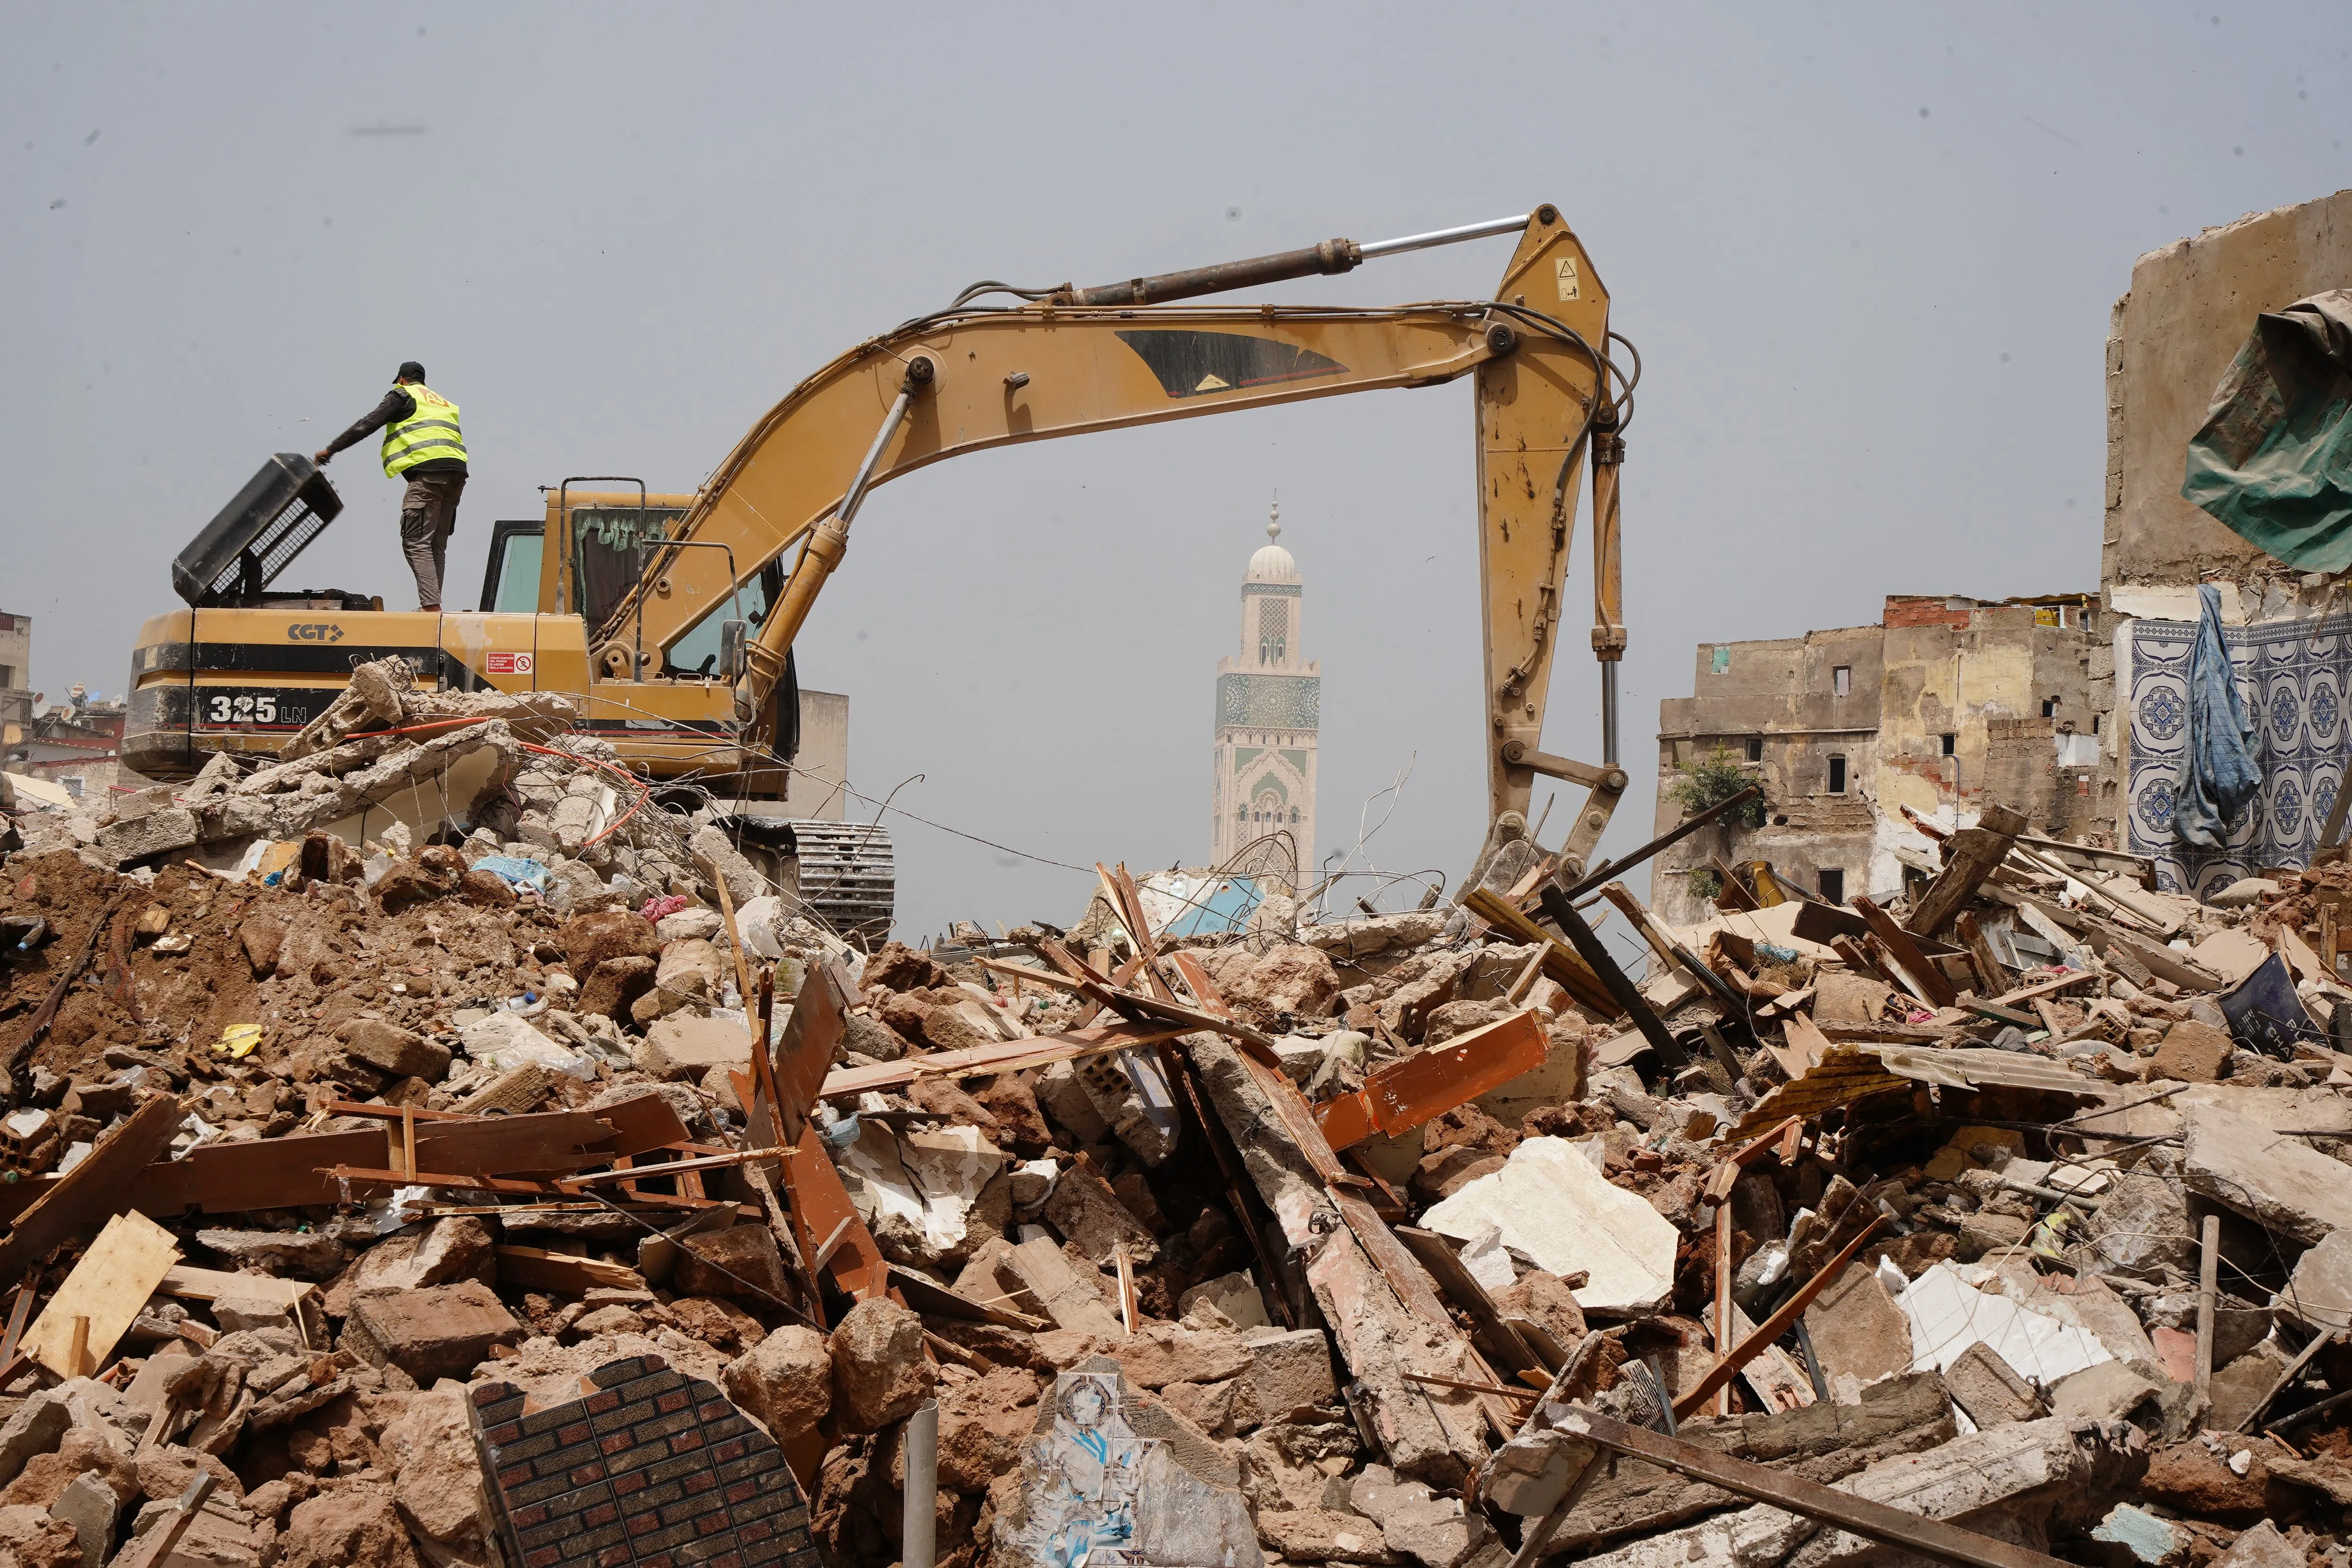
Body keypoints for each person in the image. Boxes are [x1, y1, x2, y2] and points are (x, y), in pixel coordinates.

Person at [314, 361, 468, 611]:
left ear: (402, 379)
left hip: (428, 476)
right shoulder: (442, 402)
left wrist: (331, 449)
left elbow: (368, 423)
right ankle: (434, 607)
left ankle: (431, 608)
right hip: (456, 476)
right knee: (435, 544)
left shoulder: (403, 394)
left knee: (416, 542)